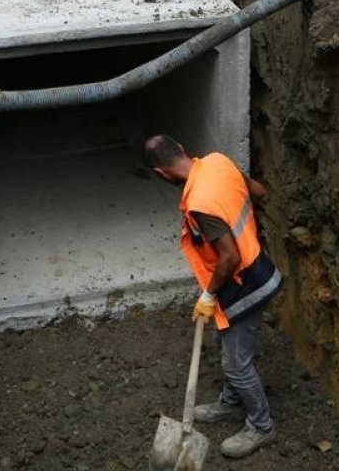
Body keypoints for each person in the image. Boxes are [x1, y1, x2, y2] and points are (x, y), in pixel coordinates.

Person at [142, 134, 284, 459]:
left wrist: (208, 295)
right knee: (225, 341)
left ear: (162, 174)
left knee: (237, 364)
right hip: (254, 266)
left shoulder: (200, 203)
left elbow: (229, 257)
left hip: (244, 283)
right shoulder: (219, 161)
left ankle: (262, 426)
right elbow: (258, 192)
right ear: (181, 147)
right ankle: (232, 402)